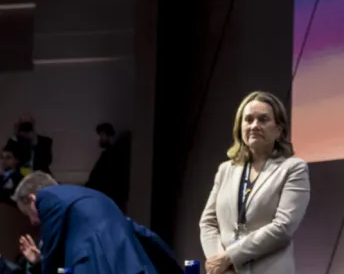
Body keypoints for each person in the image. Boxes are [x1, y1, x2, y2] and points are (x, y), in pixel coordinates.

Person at [199, 91, 310, 274]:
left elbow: (282, 227)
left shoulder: (293, 168)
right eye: (248, 119)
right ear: (239, 127)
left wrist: (230, 257)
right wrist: (220, 263)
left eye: (263, 119)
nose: (254, 125)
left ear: (279, 129)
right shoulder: (225, 170)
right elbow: (208, 223)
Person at [11, 171, 180, 273]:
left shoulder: (45, 197)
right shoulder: (81, 195)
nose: (33, 221)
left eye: (29, 215)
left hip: (96, 261)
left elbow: (53, 252)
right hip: (127, 257)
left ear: (32, 199)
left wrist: (41, 262)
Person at [85, 123, 131, 213]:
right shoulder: (121, 154)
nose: (98, 139)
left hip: (108, 200)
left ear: (104, 134)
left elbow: (97, 178)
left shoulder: (109, 156)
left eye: (100, 135)